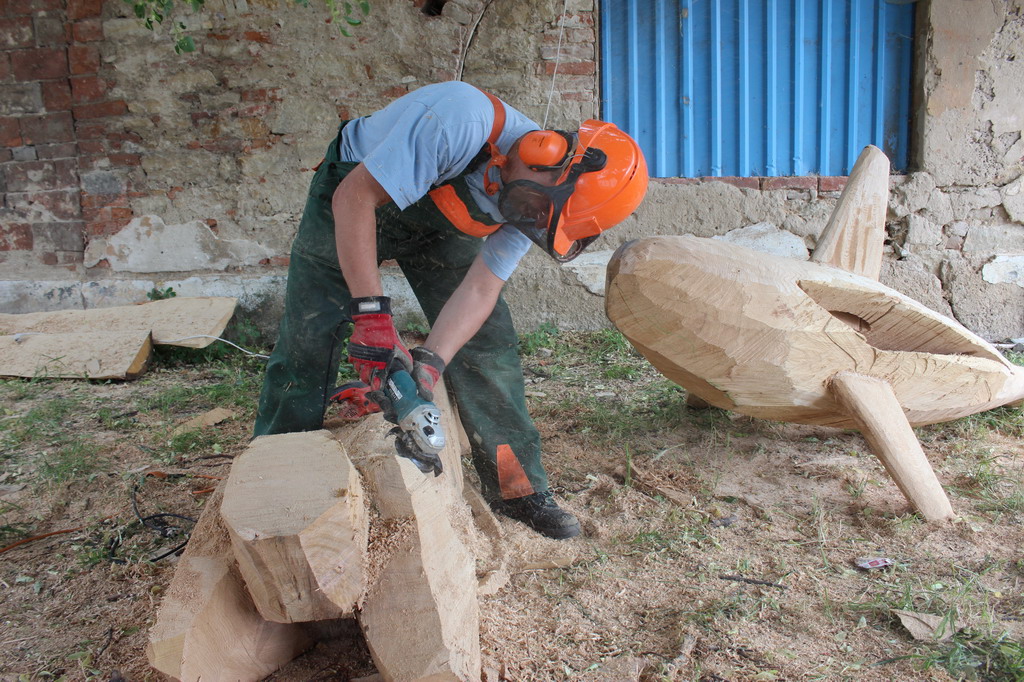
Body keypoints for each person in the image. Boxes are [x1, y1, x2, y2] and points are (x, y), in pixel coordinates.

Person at [254, 80, 648, 539]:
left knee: (488, 343)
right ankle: (272, 476)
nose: (531, 217)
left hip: (441, 225)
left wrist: (431, 363)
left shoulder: (534, 206)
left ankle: (517, 488)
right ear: (548, 152)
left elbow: (481, 288)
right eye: (537, 206)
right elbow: (355, 198)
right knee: (310, 335)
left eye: (542, 218)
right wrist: (372, 316)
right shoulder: (458, 121)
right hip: (356, 193)